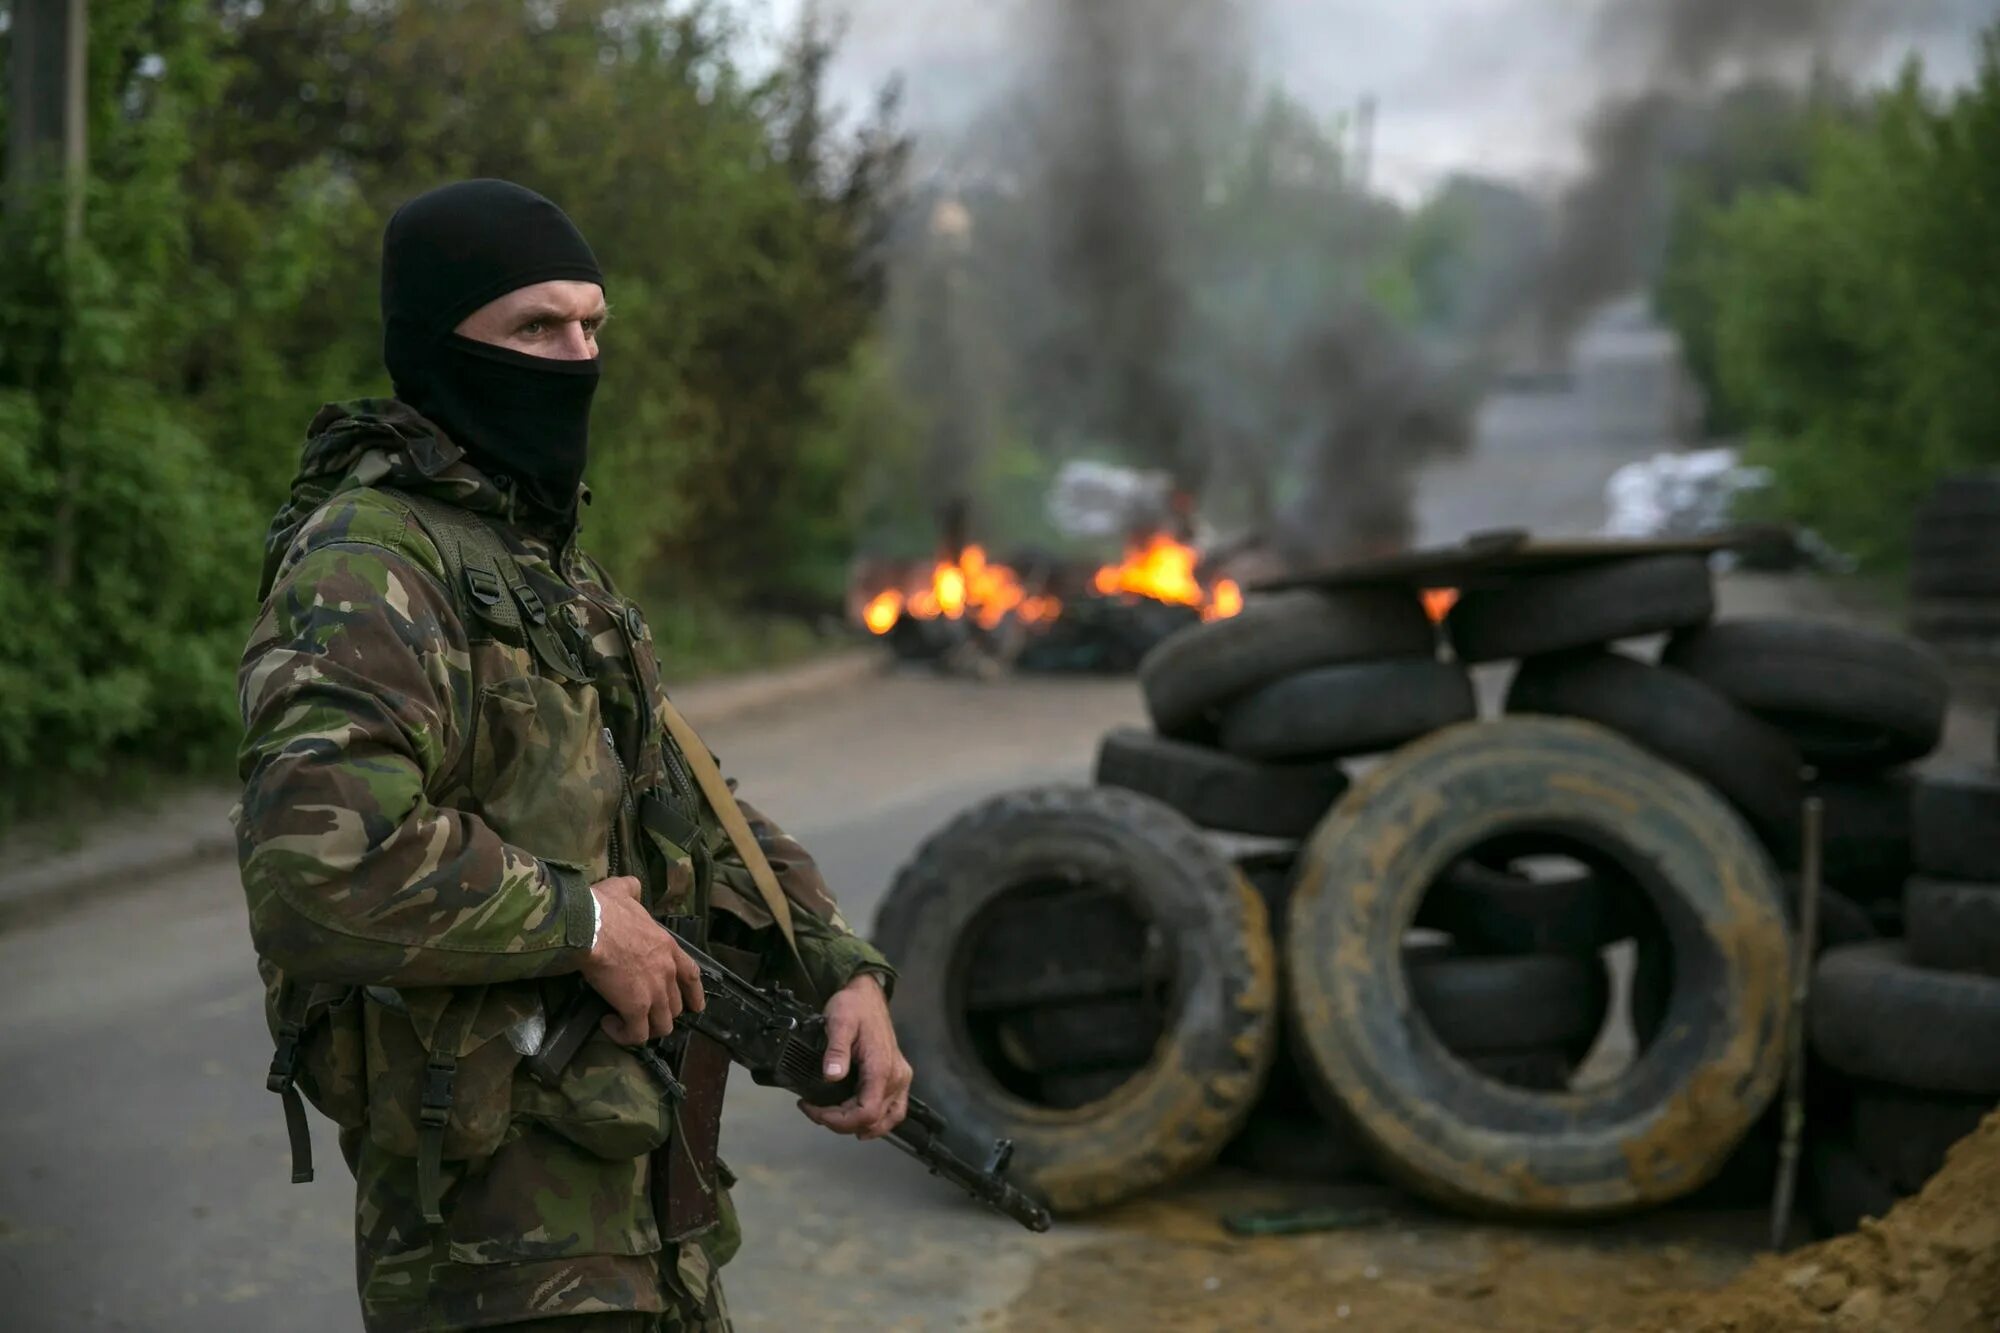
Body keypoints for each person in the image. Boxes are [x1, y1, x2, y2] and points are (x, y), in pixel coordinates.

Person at [233, 178, 913, 1332]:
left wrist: (835, 967)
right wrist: (584, 922)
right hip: (491, 1244)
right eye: (535, 326)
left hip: (640, 1214)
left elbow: (683, 815)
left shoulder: (547, 569)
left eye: (590, 324)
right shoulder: (370, 565)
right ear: (438, 345)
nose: (574, 355)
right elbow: (318, 866)